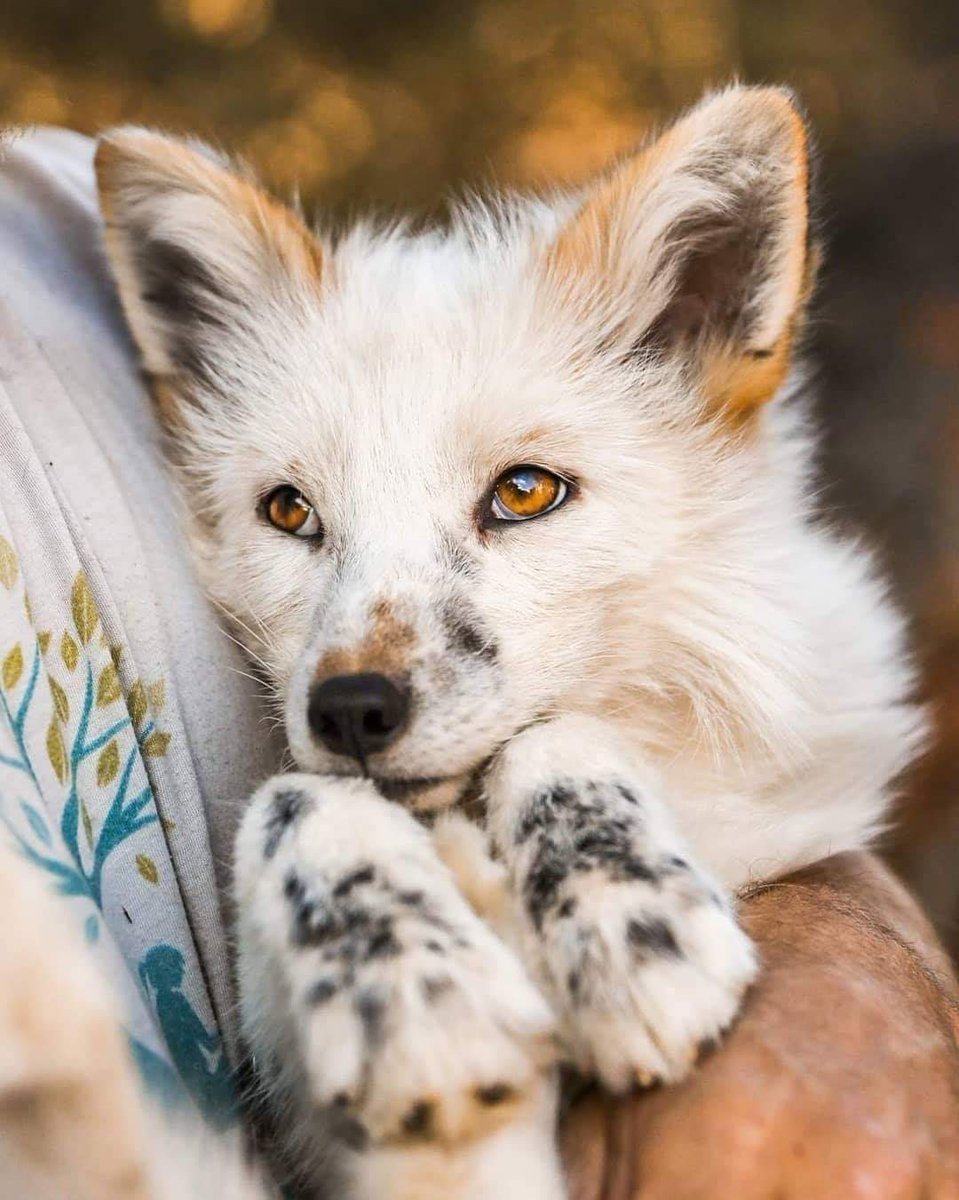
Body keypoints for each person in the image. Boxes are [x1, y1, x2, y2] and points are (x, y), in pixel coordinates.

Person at [1, 126, 956, 1198]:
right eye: (291, 514)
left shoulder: (39, 226)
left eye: (521, 492)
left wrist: (838, 963)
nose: (357, 664)